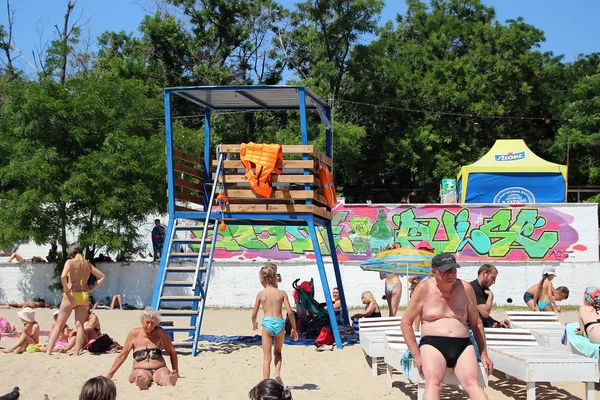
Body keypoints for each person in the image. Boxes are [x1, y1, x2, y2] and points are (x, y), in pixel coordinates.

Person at [400, 253, 493, 399]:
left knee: (472, 383)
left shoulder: (465, 288)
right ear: (434, 271)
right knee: (434, 383)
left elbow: (476, 323)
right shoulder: (424, 288)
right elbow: (406, 322)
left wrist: (484, 354)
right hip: (433, 344)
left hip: (462, 344)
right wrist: (417, 356)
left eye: (454, 269)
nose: (451, 273)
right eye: (446, 270)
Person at [46, 243, 106, 356]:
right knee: (80, 325)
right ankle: (76, 353)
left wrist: (66, 288)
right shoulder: (87, 264)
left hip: (72, 294)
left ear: (71, 253)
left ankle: (48, 351)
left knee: (59, 324)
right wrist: (92, 288)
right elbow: (102, 276)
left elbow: (63, 276)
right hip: (83, 295)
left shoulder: (70, 262)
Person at [106, 307, 178, 389]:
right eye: (147, 322)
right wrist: (110, 374)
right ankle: (142, 383)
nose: (150, 326)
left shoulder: (159, 332)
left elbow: (172, 351)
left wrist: (175, 371)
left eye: (153, 323)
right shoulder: (134, 334)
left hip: (159, 368)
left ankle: (168, 381)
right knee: (141, 375)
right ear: (142, 321)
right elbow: (122, 355)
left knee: (163, 376)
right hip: (140, 369)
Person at [252, 264, 298, 385]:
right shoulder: (282, 293)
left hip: (267, 324)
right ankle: (277, 374)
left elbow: (254, 314)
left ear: (262, 279)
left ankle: (266, 383)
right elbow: (290, 312)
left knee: (266, 358)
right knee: (277, 352)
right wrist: (294, 328)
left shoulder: (261, 294)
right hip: (280, 324)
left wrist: (254, 323)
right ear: (275, 278)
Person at [469, 264, 509, 328]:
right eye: (492, 278)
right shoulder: (473, 288)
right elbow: (485, 313)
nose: (493, 282)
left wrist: (498, 323)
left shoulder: (483, 289)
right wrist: (491, 296)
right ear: (484, 273)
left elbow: (482, 315)